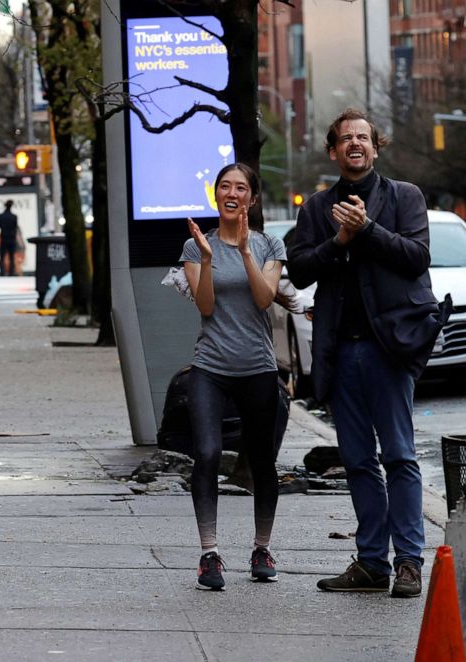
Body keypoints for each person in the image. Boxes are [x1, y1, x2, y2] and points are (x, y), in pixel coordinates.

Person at [288, 109, 447, 599]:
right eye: (345, 139)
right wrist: (338, 240)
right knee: (358, 462)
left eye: (363, 137)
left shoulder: (405, 197)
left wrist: (368, 229)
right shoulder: (317, 209)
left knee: (399, 456)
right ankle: (373, 562)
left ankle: (409, 563)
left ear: (375, 148)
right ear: (333, 151)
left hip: (389, 349)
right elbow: (298, 269)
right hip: (339, 350)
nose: (355, 144)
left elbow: (417, 256)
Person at [181, 163, 286, 591]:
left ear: (251, 199)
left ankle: (262, 547)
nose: (232, 192)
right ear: (216, 195)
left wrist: (244, 251)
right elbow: (205, 307)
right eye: (224, 186)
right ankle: (209, 553)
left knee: (261, 462)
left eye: (240, 188)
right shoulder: (195, 247)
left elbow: (264, 300)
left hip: (257, 368)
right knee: (206, 453)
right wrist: (207, 259)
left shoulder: (269, 244)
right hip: (211, 367)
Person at [0, 200, 19, 276]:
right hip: (11, 238)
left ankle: (2, 272)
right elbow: (15, 226)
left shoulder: (0, 216)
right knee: (11, 257)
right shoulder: (14, 217)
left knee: (2, 257)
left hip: (4, 237)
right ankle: (11, 272)